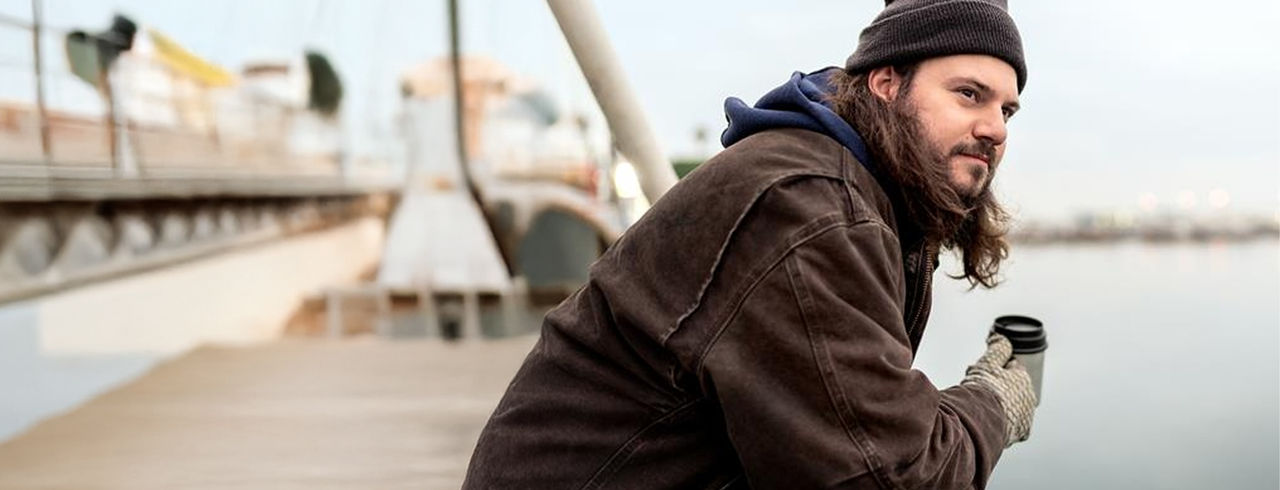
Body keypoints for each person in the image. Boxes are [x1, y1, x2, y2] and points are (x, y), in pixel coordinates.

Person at [464, 1, 1038, 488]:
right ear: (886, 84)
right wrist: (993, 402)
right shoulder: (811, 212)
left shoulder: (859, 191)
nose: (996, 128)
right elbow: (891, 474)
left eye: (1006, 109)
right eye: (969, 95)